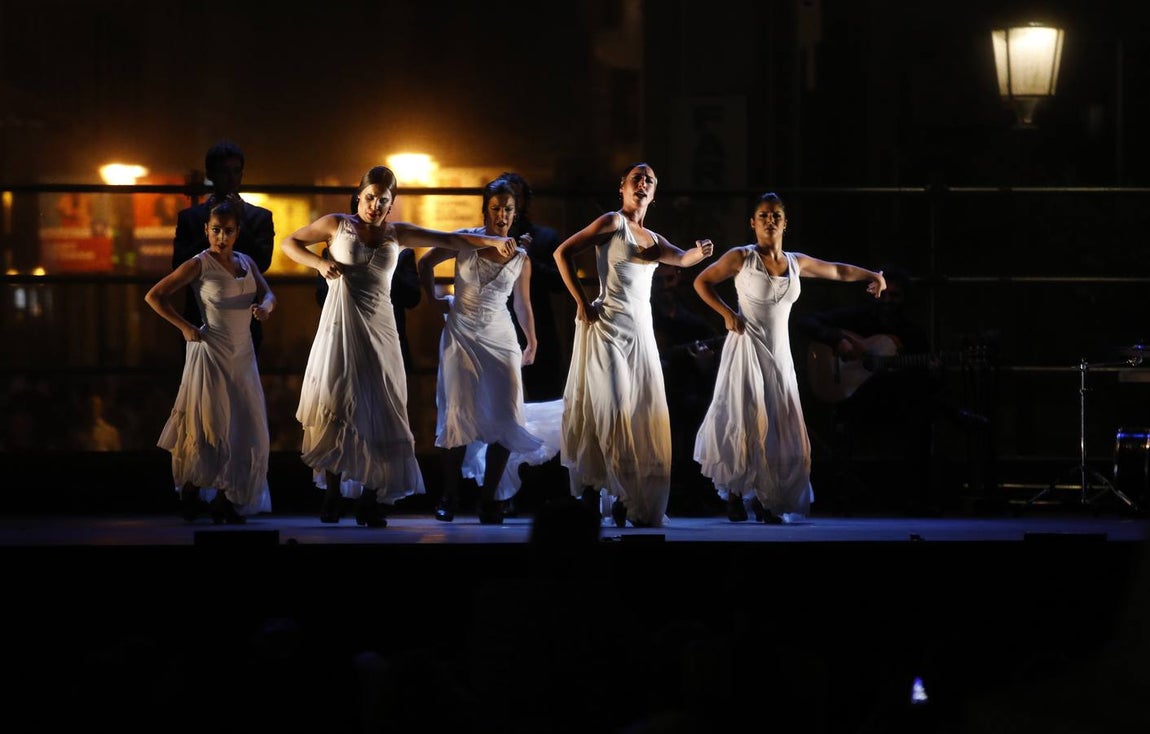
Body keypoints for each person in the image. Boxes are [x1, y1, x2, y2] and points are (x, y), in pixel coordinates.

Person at [280, 165, 517, 527]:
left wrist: (494, 241)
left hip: (381, 328)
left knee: (382, 404)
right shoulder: (335, 224)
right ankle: (332, 494)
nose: (375, 205)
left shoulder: (397, 232)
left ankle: (371, 497)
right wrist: (319, 262)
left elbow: (449, 240)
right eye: (370, 197)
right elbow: (290, 243)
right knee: (338, 400)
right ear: (359, 196)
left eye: (383, 201)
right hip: (342, 325)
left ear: (391, 205)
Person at [693, 192, 886, 524]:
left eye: (776, 216)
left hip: (779, 354)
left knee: (777, 422)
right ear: (753, 223)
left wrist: (873, 275)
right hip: (748, 347)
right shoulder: (741, 257)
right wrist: (726, 313)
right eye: (764, 215)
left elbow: (836, 271)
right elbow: (702, 281)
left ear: (785, 223)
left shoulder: (797, 262)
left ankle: (769, 496)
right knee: (745, 415)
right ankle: (736, 493)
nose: (770, 220)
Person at [553, 162, 714, 528]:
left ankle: (627, 496)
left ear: (653, 194)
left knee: (641, 413)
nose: (643, 183)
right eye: (636, 178)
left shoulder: (654, 239)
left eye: (649, 180)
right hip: (608, 327)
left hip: (640, 334)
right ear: (623, 187)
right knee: (612, 405)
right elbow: (562, 253)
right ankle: (599, 488)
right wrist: (581, 301)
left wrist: (700, 251)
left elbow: (681, 258)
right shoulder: (613, 222)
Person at [794, 263, 984, 515]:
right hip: (856, 400)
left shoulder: (911, 333)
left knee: (919, 405)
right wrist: (837, 340)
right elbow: (805, 321)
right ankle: (955, 413)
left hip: (893, 403)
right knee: (917, 402)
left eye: (895, 296)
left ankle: (916, 498)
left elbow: (925, 379)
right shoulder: (857, 318)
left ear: (904, 299)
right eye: (884, 294)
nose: (888, 301)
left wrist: (935, 371)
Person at [418, 177, 546, 524]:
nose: (502, 215)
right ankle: (449, 496)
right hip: (462, 331)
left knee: (506, 412)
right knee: (458, 411)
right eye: (495, 208)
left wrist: (531, 340)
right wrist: (434, 300)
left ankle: (488, 499)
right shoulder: (465, 239)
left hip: (500, 335)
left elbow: (522, 304)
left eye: (508, 209)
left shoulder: (521, 257)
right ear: (485, 211)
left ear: (515, 213)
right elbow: (425, 263)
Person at [145, 198, 275, 524]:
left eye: (228, 231)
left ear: (237, 232)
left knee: (244, 424)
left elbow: (268, 294)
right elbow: (155, 296)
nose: (221, 237)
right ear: (206, 230)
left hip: (243, 355)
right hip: (212, 350)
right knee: (214, 424)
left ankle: (227, 497)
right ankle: (198, 492)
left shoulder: (246, 262)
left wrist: (265, 308)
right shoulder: (199, 263)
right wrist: (185, 327)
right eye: (216, 230)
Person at [172, 140, 275, 352]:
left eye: (236, 171)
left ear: (242, 175)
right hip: (200, 320)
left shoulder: (259, 217)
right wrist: (215, 230)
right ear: (211, 174)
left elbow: (263, 263)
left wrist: (238, 221)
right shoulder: (190, 218)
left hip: (245, 323)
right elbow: (179, 263)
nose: (231, 177)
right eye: (223, 171)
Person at [496, 172, 567, 401]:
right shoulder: (485, 239)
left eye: (516, 196)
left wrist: (528, 259)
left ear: (526, 200)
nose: (511, 203)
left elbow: (560, 282)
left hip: (540, 329)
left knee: (544, 400)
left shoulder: (545, 237)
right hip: (496, 329)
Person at [316, 226, 421, 371]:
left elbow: (412, 298)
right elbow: (322, 297)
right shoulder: (333, 253)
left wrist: (385, 270)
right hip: (347, 334)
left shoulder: (402, 253)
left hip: (388, 337)